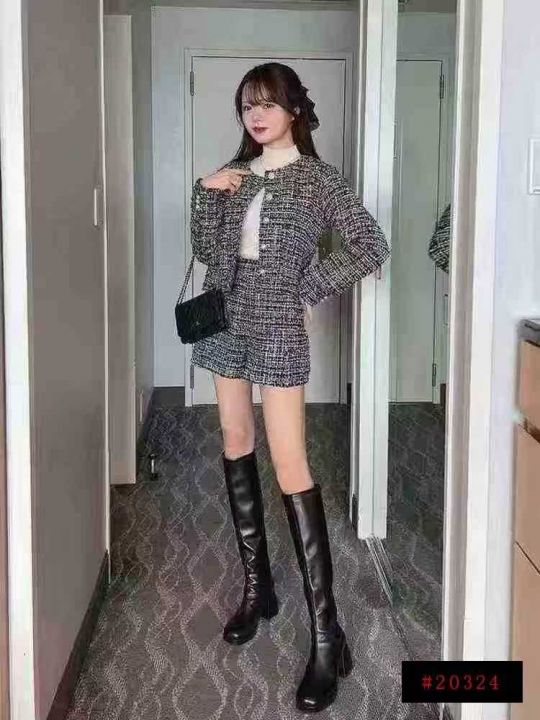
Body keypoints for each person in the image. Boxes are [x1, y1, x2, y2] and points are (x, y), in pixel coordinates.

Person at [189, 62, 390, 713]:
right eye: (248, 104)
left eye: (268, 103)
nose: (256, 114)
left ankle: (328, 637)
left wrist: (306, 287)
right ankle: (260, 590)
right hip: (225, 320)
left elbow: (370, 244)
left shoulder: (318, 179)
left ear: (294, 110)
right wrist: (206, 192)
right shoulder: (236, 172)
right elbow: (208, 251)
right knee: (234, 440)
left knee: (290, 464)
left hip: (277, 326)